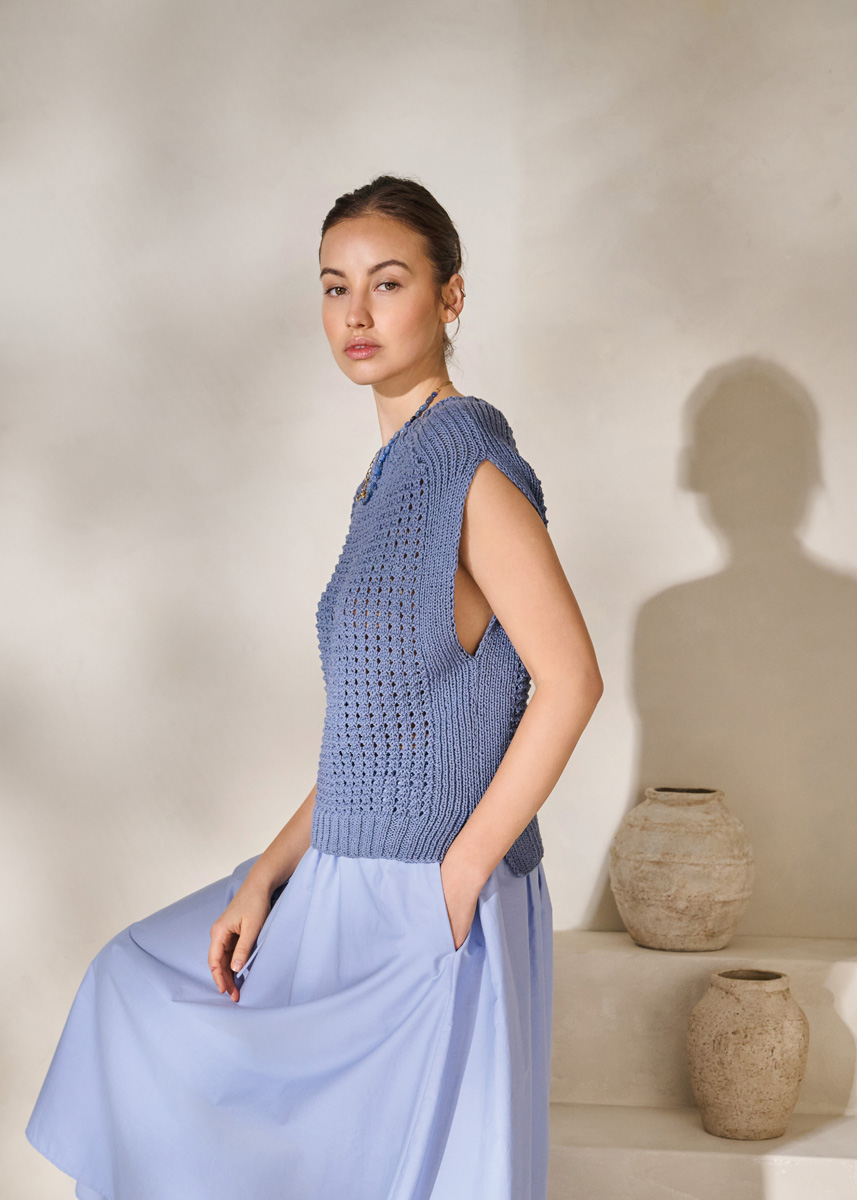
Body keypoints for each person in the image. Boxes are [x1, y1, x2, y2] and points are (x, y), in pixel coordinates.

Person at [25, 173, 603, 1200]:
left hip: (417, 898)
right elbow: (373, 741)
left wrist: (459, 879)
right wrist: (264, 874)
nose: (356, 314)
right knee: (135, 990)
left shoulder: (470, 471)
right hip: (345, 877)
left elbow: (570, 680)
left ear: (450, 297)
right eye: (335, 287)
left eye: (388, 283)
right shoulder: (389, 478)